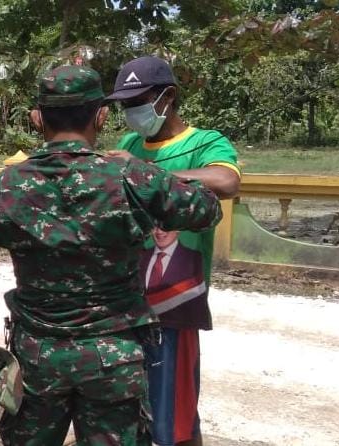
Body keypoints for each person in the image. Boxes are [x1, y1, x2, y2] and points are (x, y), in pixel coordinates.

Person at [0, 65, 223, 445]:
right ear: (100, 115)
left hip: (36, 357)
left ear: (37, 118)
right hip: (112, 359)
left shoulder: (9, 182)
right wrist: (151, 177)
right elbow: (207, 209)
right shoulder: (130, 176)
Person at [107, 55, 241, 446]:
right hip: (127, 298)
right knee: (132, 407)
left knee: (175, 415)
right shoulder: (130, 142)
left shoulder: (205, 142)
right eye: (126, 105)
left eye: (139, 101)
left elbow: (226, 181)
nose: (132, 112)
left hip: (175, 302)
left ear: (168, 97)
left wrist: (146, 171)